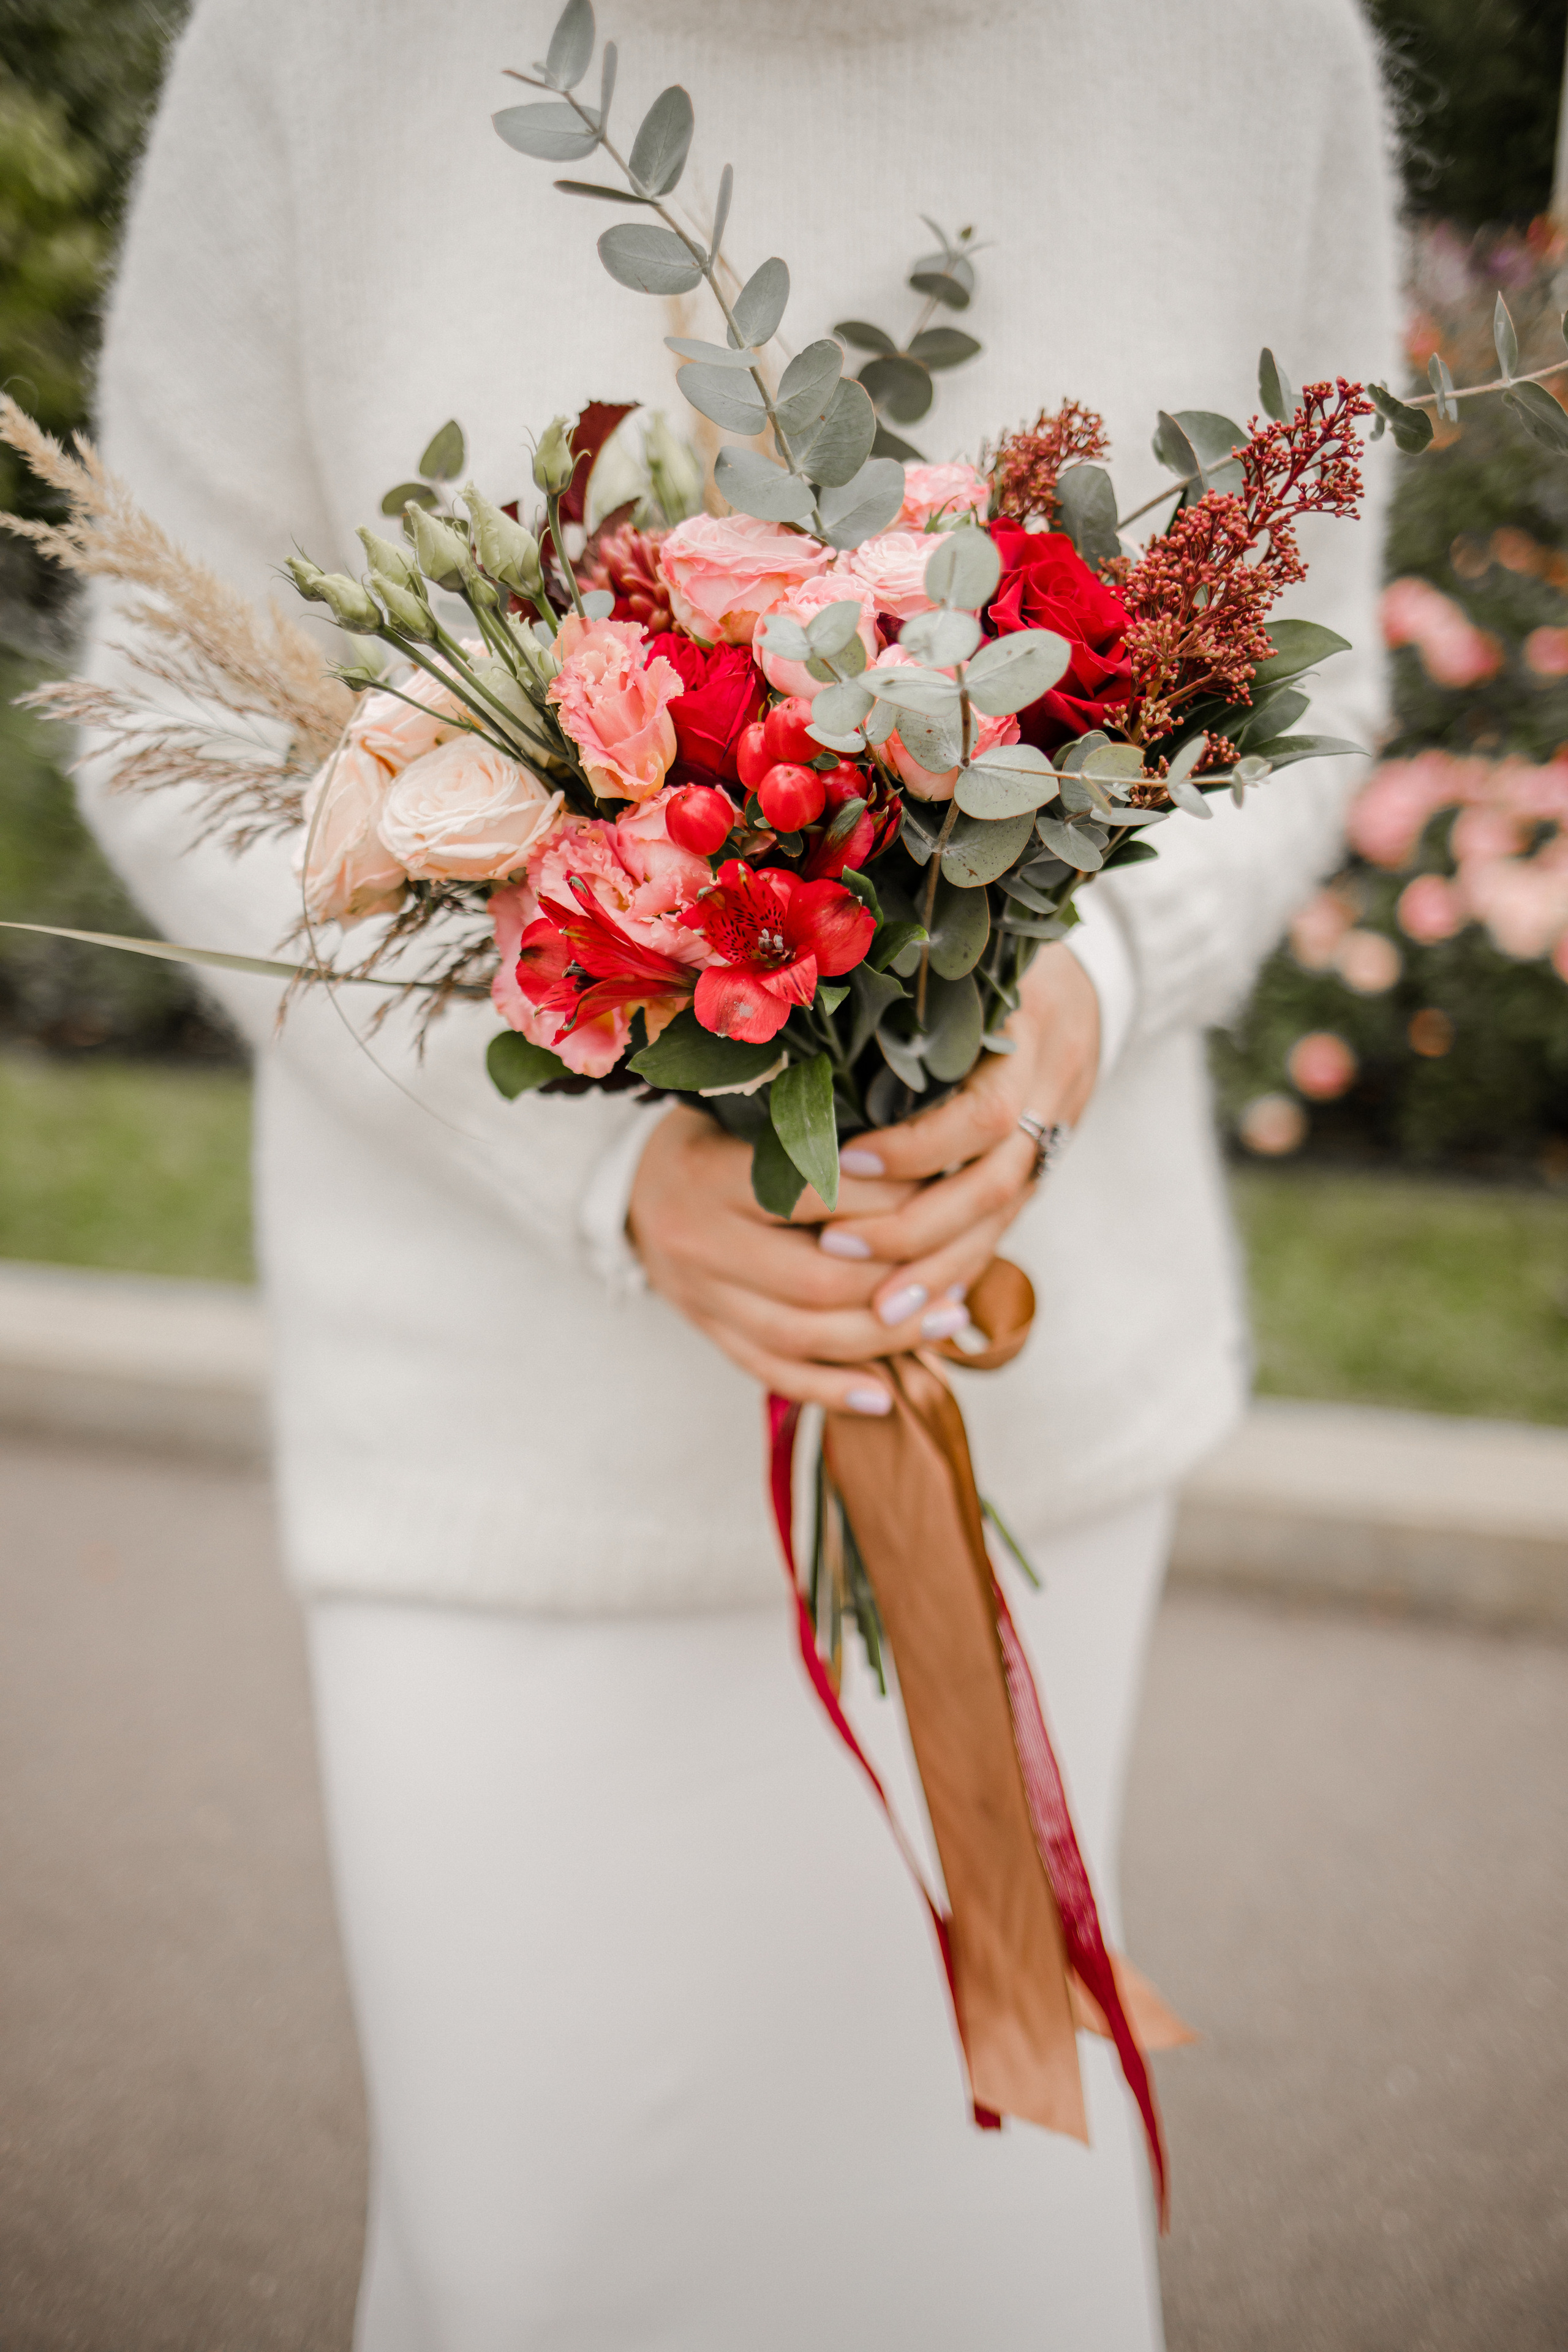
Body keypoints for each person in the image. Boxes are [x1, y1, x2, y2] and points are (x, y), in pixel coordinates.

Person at [81, 1, 1397, 2343]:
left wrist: (1087, 978)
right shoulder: (312, 41)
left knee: (964, 2241)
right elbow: (175, 727)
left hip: (1031, 1410)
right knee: (548, 2241)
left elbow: (1319, 659)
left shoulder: (1258, 44)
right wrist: (609, 1186)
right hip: (493, 1448)